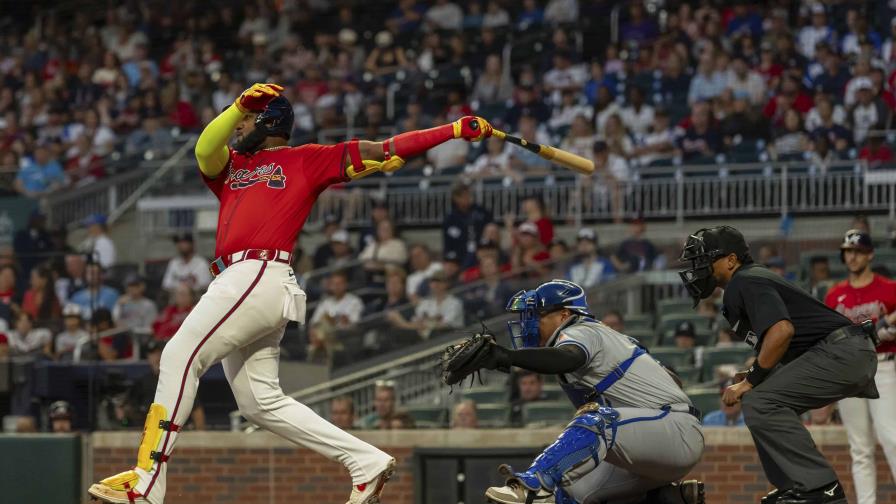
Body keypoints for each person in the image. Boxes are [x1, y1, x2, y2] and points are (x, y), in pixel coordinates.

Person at [88, 83, 495, 504]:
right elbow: (204, 149)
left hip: (257, 271)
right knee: (259, 403)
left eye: (244, 120)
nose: (236, 127)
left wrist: (451, 130)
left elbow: (382, 148)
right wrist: (237, 106)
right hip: (243, 281)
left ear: (269, 122)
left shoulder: (306, 159)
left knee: (178, 355)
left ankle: (148, 480)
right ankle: (365, 461)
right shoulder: (232, 166)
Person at [679, 225, 877, 504]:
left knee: (760, 400)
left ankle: (819, 487)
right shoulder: (745, 281)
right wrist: (754, 373)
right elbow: (785, 343)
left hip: (842, 351)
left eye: (703, 260)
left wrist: (751, 380)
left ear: (731, 260)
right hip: (839, 351)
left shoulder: (745, 280)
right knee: (758, 399)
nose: (698, 268)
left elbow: (782, 332)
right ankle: (799, 486)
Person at [482, 280, 704, 504]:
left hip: (674, 430)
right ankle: (664, 498)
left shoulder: (582, 329)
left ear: (563, 314)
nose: (530, 323)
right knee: (566, 495)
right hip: (642, 446)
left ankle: (532, 484)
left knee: (596, 421)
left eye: (538, 315)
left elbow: (568, 358)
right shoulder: (589, 339)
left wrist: (506, 356)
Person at [823, 229, 896, 504]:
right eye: (848, 251)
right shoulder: (835, 295)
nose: (852, 256)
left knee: (891, 437)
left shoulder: (889, 288)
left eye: (857, 251)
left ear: (870, 254)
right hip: (849, 369)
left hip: (883, 365)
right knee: (860, 448)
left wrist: (886, 331)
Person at [388, 269, 465, 339]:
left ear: (446, 283)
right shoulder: (425, 303)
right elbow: (417, 323)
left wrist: (404, 324)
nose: (435, 284)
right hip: (429, 340)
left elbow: (445, 325)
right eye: (433, 281)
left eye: (439, 281)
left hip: (452, 338)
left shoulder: (454, 303)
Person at [308, 270, 364, 364]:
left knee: (322, 338)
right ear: (331, 286)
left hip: (341, 339)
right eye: (334, 284)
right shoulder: (326, 302)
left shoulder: (354, 301)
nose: (337, 286)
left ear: (345, 284)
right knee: (312, 346)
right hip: (323, 338)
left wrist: (344, 321)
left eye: (340, 283)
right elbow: (314, 323)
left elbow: (355, 325)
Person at [443, 183, 493, 267]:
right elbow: (448, 243)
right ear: (456, 198)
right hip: (460, 254)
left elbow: (490, 228)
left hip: (481, 251)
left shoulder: (481, 211)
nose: (467, 198)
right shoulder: (450, 218)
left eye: (468, 195)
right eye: (463, 196)